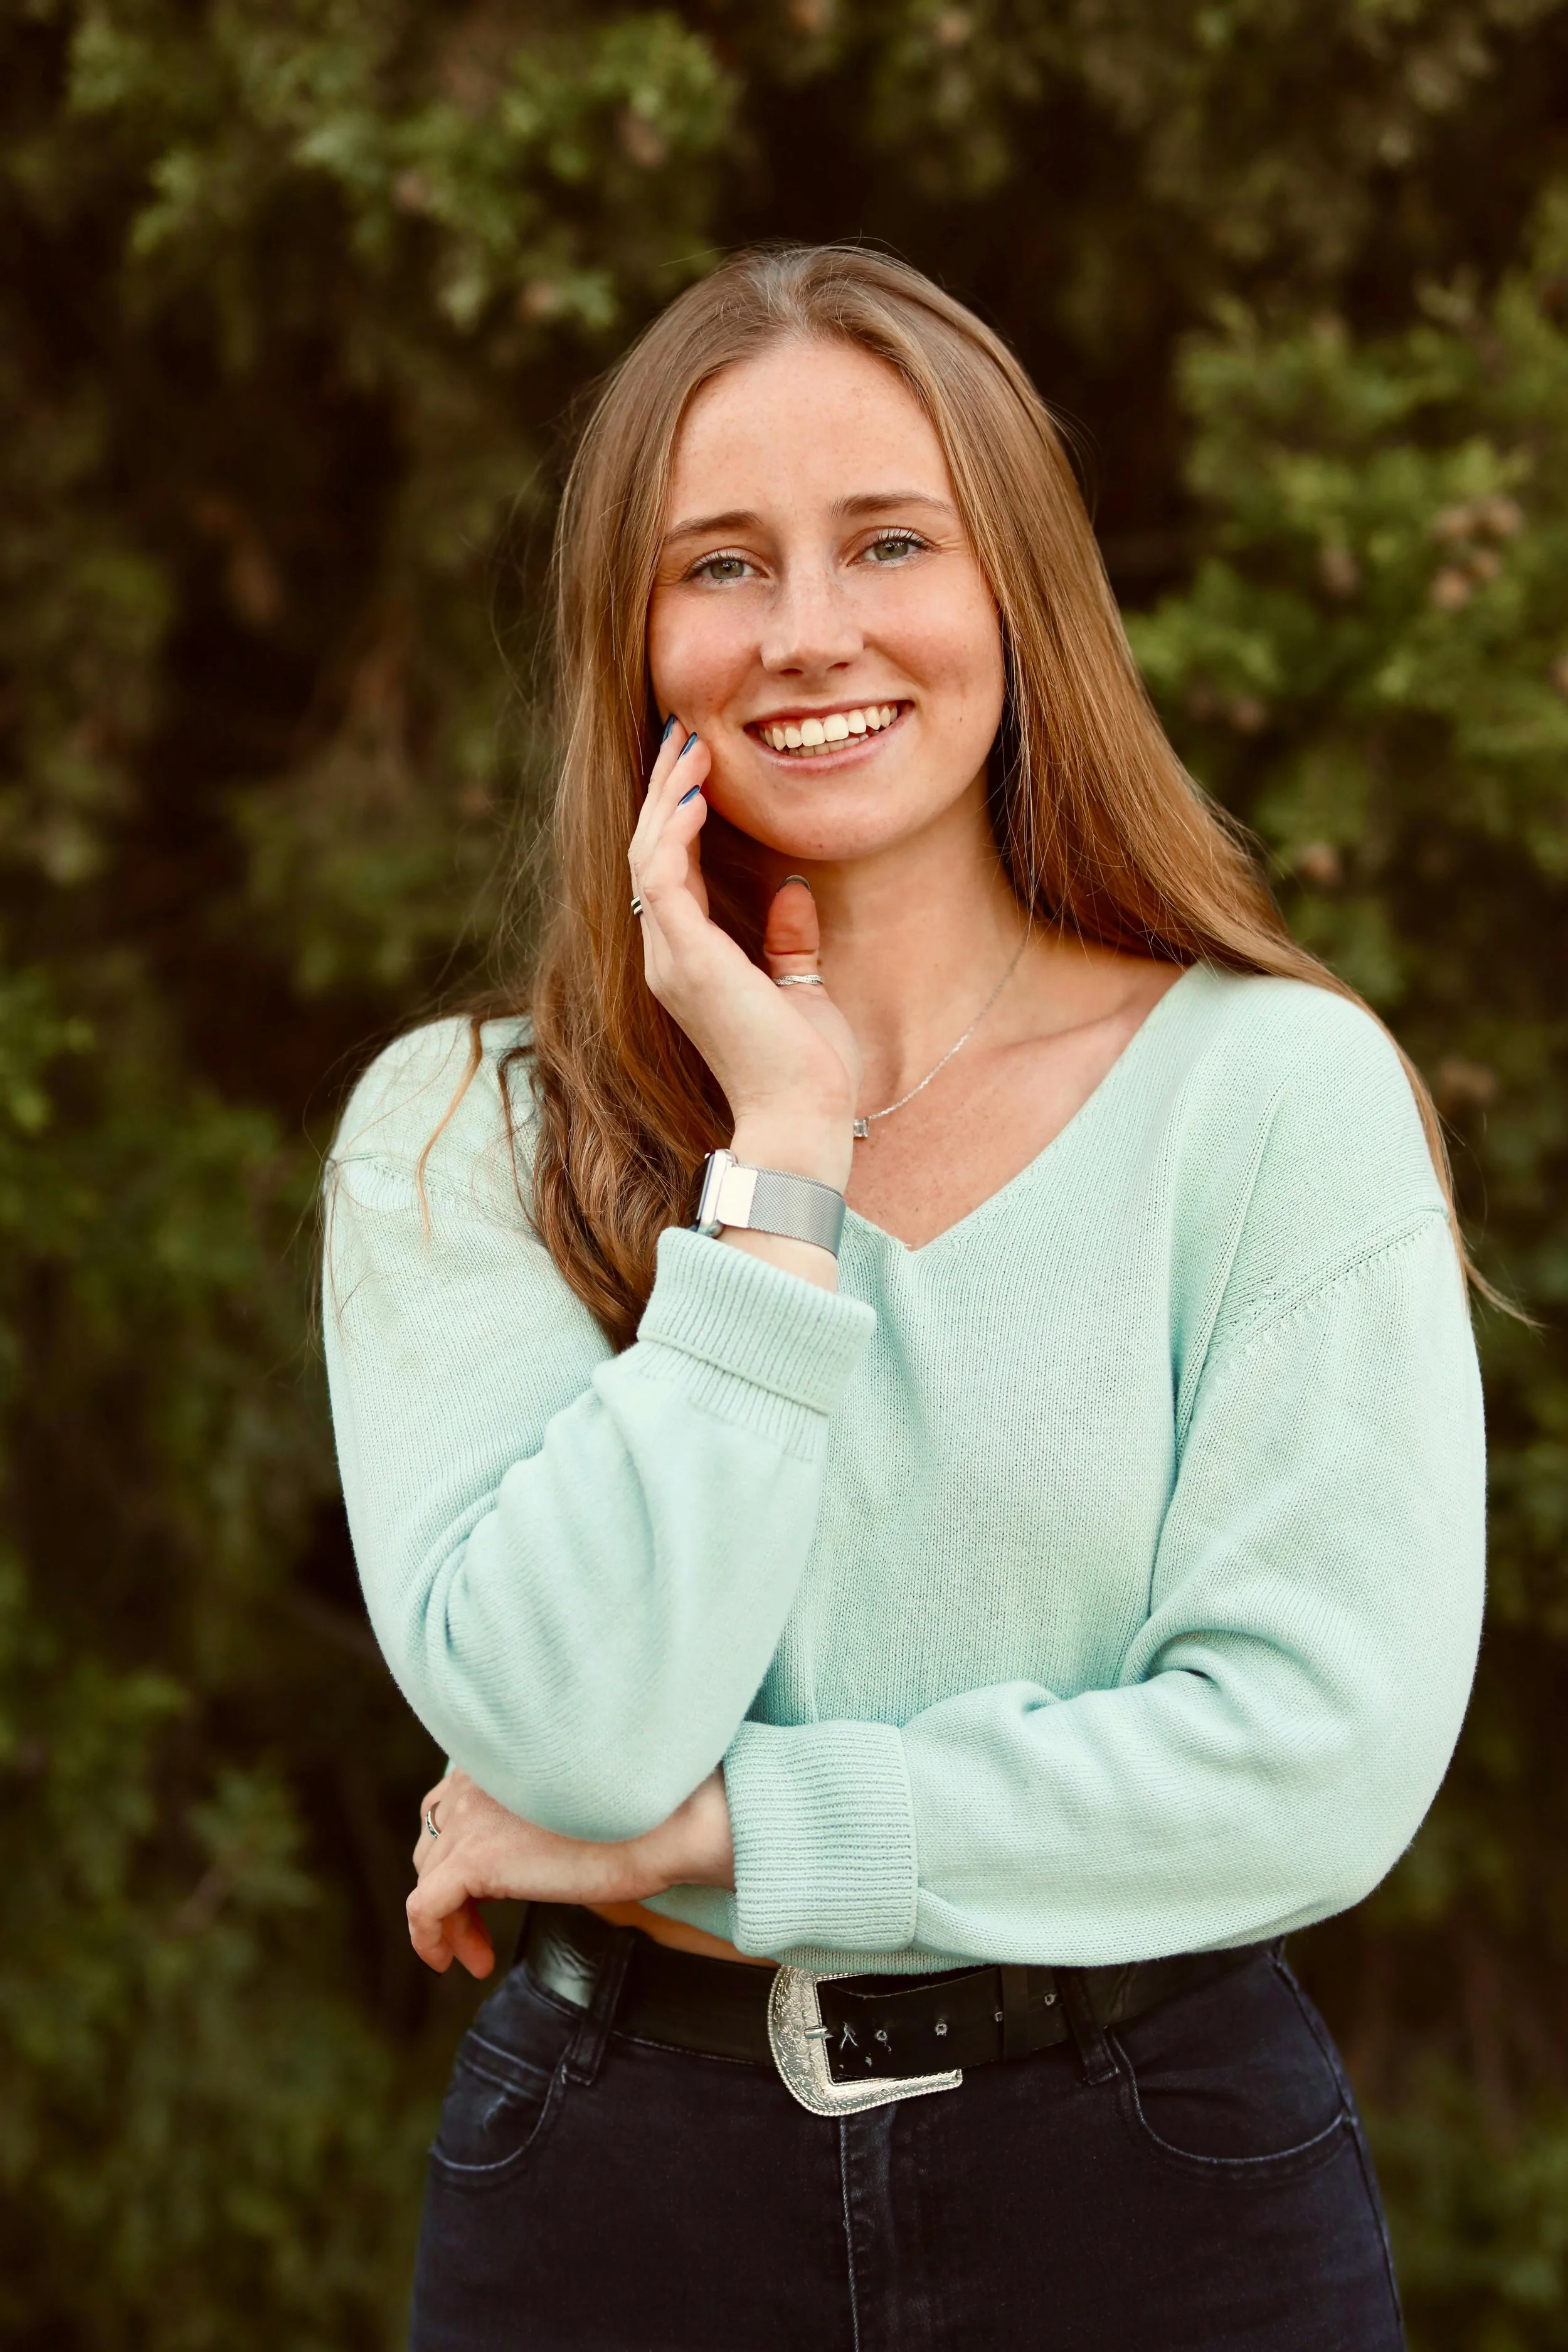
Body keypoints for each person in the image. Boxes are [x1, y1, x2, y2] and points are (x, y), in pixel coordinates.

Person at [322, 245, 1485, 2352]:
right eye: (721, 566)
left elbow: (1316, 1753)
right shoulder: (455, 1138)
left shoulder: (1268, 1096)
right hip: (614, 2192)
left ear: (1015, 592)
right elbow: (568, 1720)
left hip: (1158, 2187)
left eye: (887, 541)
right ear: (630, 638)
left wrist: (723, 1829)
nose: (809, 633)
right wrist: (782, 1163)